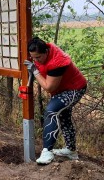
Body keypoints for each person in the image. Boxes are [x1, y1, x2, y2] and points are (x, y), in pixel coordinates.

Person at [24, 37, 87, 165]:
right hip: (62, 90)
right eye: (33, 58)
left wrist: (35, 71)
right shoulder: (42, 51)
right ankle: (71, 150)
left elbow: (48, 87)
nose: (36, 61)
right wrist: (36, 66)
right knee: (64, 117)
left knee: (51, 111)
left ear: (46, 52)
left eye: (38, 57)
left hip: (75, 88)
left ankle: (47, 151)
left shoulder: (57, 62)